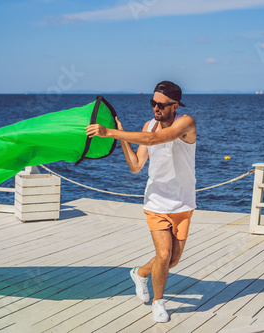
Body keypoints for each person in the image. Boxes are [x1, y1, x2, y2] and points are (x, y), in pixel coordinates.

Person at [85, 80, 196, 322]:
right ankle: (159, 302)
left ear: (175, 106)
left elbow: (154, 140)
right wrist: (122, 137)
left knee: (172, 261)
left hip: (183, 204)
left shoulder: (185, 123)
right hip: (156, 203)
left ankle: (139, 273)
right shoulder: (149, 126)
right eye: (153, 103)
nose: (156, 108)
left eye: (162, 105)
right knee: (164, 255)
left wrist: (111, 132)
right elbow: (136, 166)